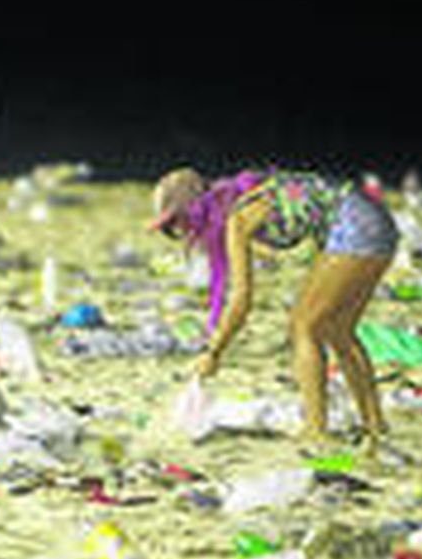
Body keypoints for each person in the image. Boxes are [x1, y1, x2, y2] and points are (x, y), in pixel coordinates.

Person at [152, 166, 399, 450]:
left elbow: (241, 299)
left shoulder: (239, 217)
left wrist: (214, 352)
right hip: (376, 220)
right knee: (339, 331)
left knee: (304, 327)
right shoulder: (250, 198)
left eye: (178, 226)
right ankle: (374, 423)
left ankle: (316, 429)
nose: (183, 235)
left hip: (354, 225)